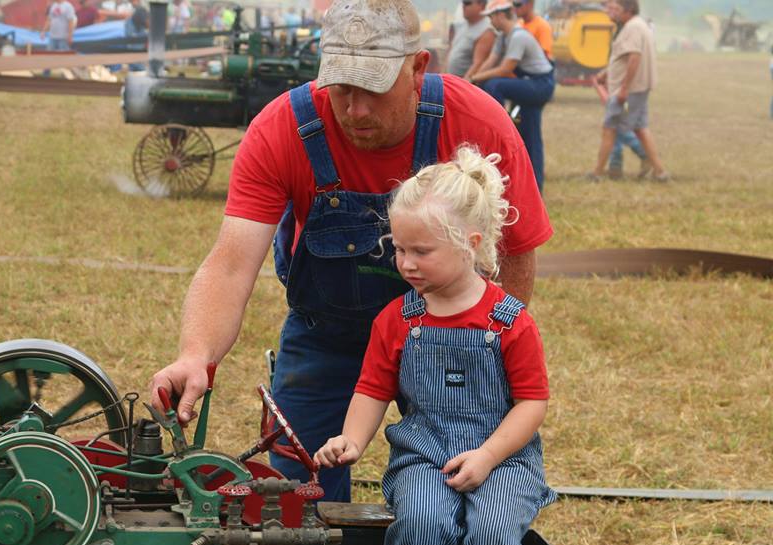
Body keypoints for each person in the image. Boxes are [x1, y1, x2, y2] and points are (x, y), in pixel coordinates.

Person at [148, 0, 552, 502]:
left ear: (418, 68)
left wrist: (489, 355)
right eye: (340, 87)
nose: (355, 110)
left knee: (467, 492)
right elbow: (231, 265)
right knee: (297, 499)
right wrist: (195, 355)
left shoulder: (477, 122)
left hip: (451, 335)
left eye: (374, 88)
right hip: (326, 336)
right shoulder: (282, 129)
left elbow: (515, 253)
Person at [314, 147, 554, 545]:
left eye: (421, 251)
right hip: (424, 457)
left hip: (503, 459)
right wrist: (352, 440)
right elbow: (372, 389)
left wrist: (487, 456)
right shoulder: (397, 320)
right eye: (399, 249)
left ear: (470, 243)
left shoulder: (509, 322)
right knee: (424, 521)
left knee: (492, 530)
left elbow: (531, 403)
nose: (405, 263)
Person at [471, 0, 555, 192]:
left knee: (493, 84)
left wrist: (475, 78)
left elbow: (505, 68)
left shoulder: (518, 36)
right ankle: (535, 190)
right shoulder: (504, 37)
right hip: (528, 83)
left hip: (540, 84)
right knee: (530, 136)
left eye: (491, 16)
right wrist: (470, 80)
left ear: (501, 15)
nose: (490, 21)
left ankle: (498, 123)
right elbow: (490, 61)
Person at [588, 0, 668, 181]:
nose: (612, 12)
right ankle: (660, 171)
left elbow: (634, 57)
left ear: (628, 10)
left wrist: (624, 88)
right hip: (637, 87)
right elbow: (623, 59)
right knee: (640, 128)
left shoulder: (632, 28)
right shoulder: (638, 25)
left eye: (616, 9)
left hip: (628, 90)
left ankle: (597, 173)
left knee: (609, 128)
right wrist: (607, 74)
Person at [446, 0, 496, 81]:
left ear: (481, 5)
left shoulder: (487, 30)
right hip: (452, 79)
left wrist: (464, 84)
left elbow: (478, 63)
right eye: (463, 3)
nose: (463, 6)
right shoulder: (460, 26)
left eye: (467, 3)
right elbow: (450, 52)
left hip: (464, 81)